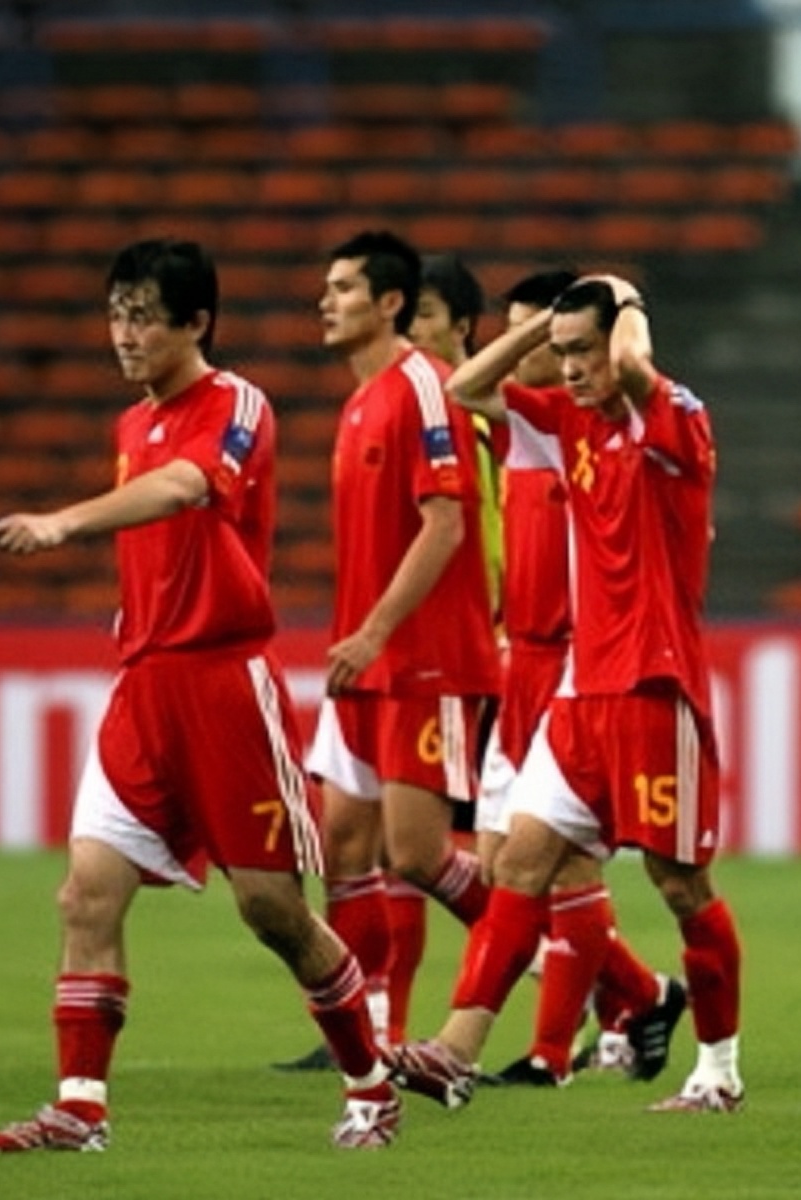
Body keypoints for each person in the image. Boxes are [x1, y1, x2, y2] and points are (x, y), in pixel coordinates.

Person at [0, 238, 399, 1152]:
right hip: (144, 687)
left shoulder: (237, 403)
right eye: (116, 311)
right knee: (86, 895)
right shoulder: (132, 423)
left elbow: (183, 490)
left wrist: (63, 522)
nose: (124, 332)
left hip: (224, 688)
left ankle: (371, 1083)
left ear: (196, 321)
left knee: (273, 912)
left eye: (143, 314)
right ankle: (79, 1109)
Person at [390, 273, 742, 1113]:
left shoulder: (675, 418)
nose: (573, 368)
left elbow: (635, 367)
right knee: (519, 859)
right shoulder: (564, 426)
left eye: (585, 352)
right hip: (581, 697)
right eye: (565, 353)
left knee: (681, 886)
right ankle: (456, 1051)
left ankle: (719, 1070)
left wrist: (625, 312)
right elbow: (466, 386)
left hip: (656, 686)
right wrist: (543, 328)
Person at [282, 231, 502, 1070]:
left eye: (342, 288)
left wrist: (377, 627)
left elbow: (446, 523)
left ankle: (573, 959)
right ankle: (367, 1032)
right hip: (366, 667)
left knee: (416, 853)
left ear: (388, 303)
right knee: (344, 843)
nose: (325, 301)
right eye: (325, 286)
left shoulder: (427, 389)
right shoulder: (359, 402)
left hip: (426, 659)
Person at [470, 269, 687, 1088]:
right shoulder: (525, 432)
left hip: (573, 662)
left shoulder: (573, 432)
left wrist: (618, 306)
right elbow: (471, 383)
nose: (546, 355)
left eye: (556, 338)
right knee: (500, 865)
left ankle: (550, 1051)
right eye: (530, 337)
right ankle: (641, 991)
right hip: (518, 660)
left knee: (564, 864)